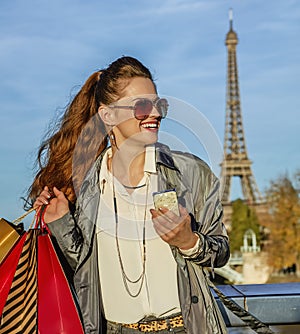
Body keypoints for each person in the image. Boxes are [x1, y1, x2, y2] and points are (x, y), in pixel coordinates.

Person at [29, 56, 230, 334]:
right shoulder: (85, 186)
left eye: (160, 105)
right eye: (143, 106)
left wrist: (189, 241)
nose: (156, 114)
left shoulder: (191, 172)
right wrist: (60, 222)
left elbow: (220, 252)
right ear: (108, 115)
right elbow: (86, 272)